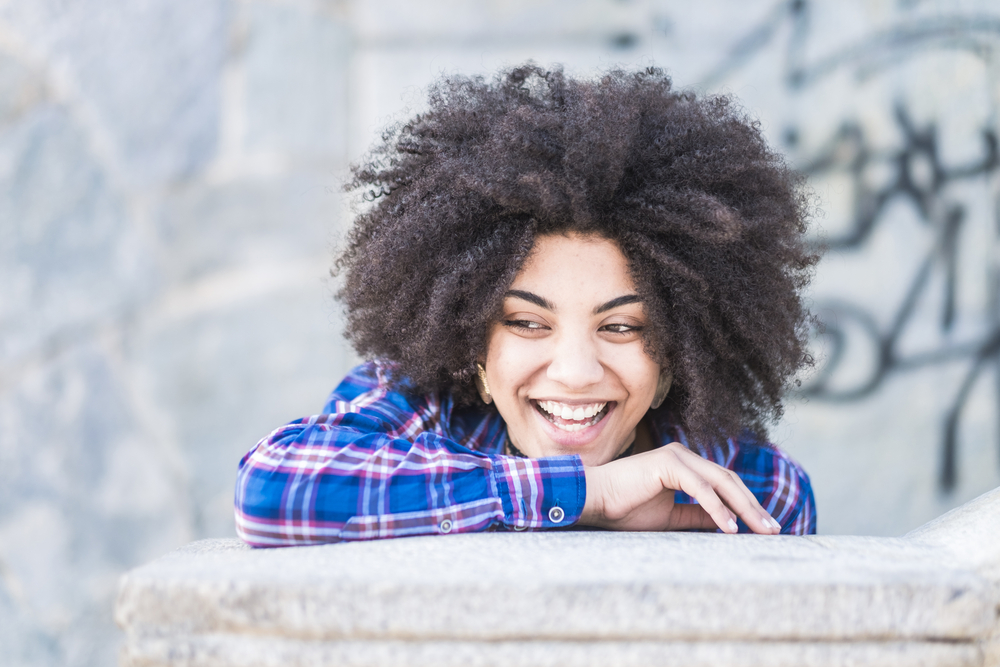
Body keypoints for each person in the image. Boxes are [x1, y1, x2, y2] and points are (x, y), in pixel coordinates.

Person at [234, 64, 817, 547]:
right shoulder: (421, 409)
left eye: (620, 326)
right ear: (472, 346)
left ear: (674, 359)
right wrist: (587, 494)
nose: (575, 372)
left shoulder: (742, 485)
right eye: (527, 322)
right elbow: (270, 492)